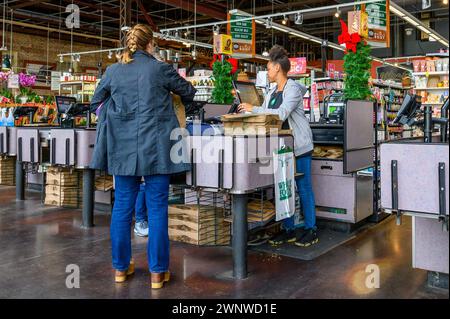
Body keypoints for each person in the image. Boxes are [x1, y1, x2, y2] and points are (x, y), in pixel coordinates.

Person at [90, 24, 196, 288]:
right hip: (158, 150)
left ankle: (120, 268)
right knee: (158, 208)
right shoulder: (160, 69)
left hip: (122, 151)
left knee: (122, 208)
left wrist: (114, 120)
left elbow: (95, 104)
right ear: (151, 45)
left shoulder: (113, 71)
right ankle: (158, 273)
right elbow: (190, 92)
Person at [238, 45, 318, 248]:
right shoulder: (273, 91)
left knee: (304, 188)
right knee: (285, 189)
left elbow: (281, 114)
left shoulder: (293, 90)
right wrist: (249, 110)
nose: (267, 71)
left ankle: (311, 229)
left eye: (268, 67)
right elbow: (265, 111)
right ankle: (288, 229)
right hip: (281, 148)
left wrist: (253, 109)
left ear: (276, 68)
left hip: (299, 146)